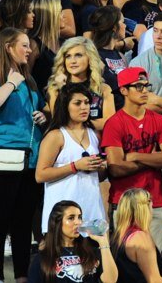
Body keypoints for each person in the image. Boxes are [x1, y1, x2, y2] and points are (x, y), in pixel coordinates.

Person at [102, 67, 162, 249]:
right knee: (128, 268)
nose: (145, 91)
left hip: (154, 201)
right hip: (124, 202)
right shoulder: (114, 123)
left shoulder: (160, 121)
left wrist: (135, 156)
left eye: (146, 86)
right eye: (138, 86)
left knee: (154, 266)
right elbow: (116, 168)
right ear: (124, 90)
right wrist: (151, 159)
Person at [34, 83, 107, 234]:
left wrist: (101, 167)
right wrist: (75, 166)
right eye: (77, 103)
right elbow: (40, 175)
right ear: (65, 106)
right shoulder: (55, 136)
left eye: (87, 102)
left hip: (92, 212)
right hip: (63, 217)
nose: (84, 107)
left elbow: (99, 177)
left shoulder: (94, 134)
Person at [29, 199, 118, 283]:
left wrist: (104, 243)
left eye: (79, 217)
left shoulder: (92, 252)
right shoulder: (43, 258)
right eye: (71, 218)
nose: (78, 222)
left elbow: (111, 280)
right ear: (57, 223)